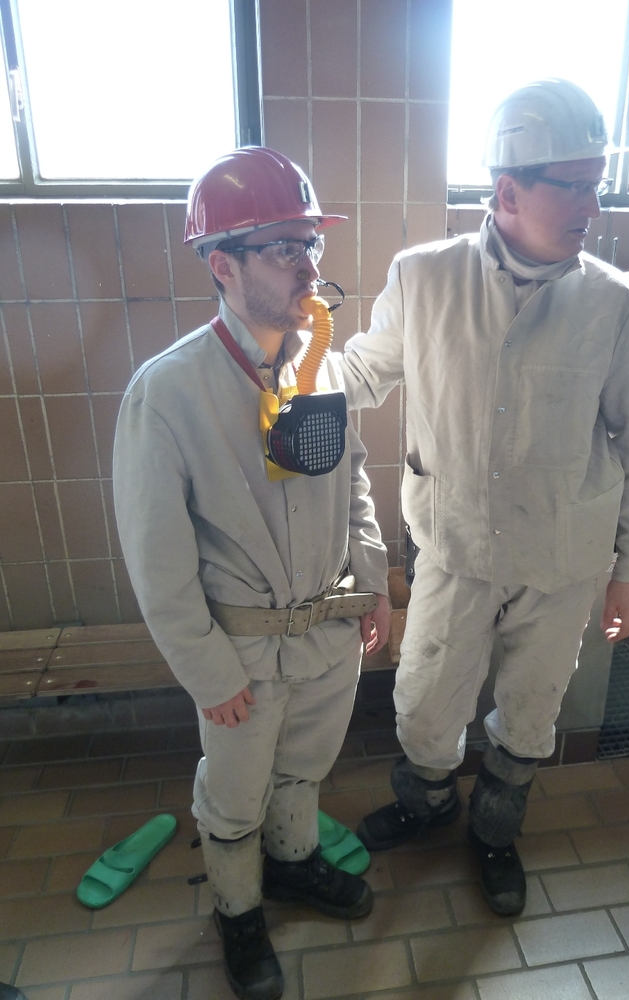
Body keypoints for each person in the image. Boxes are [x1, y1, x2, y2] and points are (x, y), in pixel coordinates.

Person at [340, 79, 629, 917]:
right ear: (509, 190)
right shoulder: (424, 277)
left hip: (562, 558)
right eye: (576, 185)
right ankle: (427, 805)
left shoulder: (611, 303)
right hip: (454, 545)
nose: (594, 205)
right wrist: (278, 374)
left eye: (597, 184)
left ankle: (494, 831)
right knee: (424, 700)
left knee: (530, 709)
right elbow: (361, 371)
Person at [112, 147, 391, 1000]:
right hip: (240, 656)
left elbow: (353, 480)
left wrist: (372, 580)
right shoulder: (168, 392)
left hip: (327, 634)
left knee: (304, 768)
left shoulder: (321, 365)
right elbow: (156, 556)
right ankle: (237, 909)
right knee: (234, 796)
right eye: (283, 248)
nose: (308, 265)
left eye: (311, 243)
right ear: (222, 264)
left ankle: (294, 862)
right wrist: (205, 670)